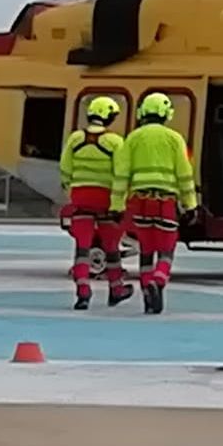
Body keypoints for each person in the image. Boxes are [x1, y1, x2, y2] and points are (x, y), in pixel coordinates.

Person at [110, 92, 198, 314]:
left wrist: (117, 206)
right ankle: (158, 281)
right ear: (166, 113)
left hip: (139, 202)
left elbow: (121, 175)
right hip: (165, 202)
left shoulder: (133, 138)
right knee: (166, 249)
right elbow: (185, 175)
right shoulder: (175, 139)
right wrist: (190, 205)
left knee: (146, 249)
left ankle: (148, 295)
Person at [58, 96, 133, 310]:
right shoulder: (115, 142)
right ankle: (116, 289)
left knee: (82, 247)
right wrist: (118, 204)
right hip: (106, 199)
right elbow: (121, 174)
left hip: (80, 198)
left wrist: (71, 192)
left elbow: (65, 168)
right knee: (111, 247)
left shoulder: (75, 139)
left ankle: (83, 292)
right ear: (109, 117)